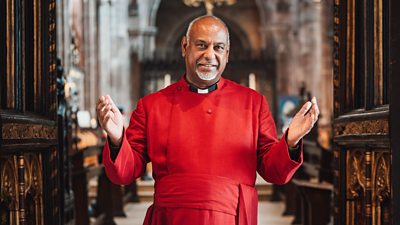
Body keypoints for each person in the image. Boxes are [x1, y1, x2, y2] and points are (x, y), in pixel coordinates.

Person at [96, 15, 319, 225]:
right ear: (185, 47)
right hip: (172, 217)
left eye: (218, 47)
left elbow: (274, 172)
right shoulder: (152, 105)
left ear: (227, 53)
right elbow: (124, 172)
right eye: (201, 45)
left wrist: (291, 140)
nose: (210, 55)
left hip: (231, 217)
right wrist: (117, 139)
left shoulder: (253, 103)